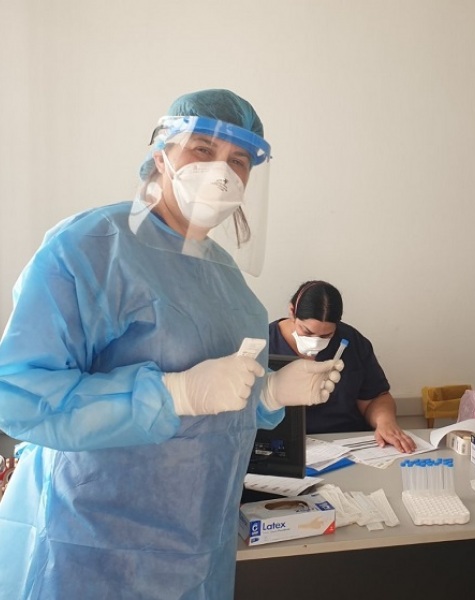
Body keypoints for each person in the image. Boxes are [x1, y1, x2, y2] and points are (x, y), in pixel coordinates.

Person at [0, 89, 343, 599]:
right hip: (90, 550)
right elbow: (20, 397)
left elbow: (220, 406)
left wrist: (270, 392)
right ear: (161, 155)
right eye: (203, 149)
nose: (222, 172)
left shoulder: (225, 277)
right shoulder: (94, 247)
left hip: (198, 551)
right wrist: (173, 394)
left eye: (240, 160)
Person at [269, 280, 416, 452]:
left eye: (326, 335)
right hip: (284, 448)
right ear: (292, 312)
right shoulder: (265, 343)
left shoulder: (351, 341)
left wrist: (385, 422)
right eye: (307, 332)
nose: (315, 342)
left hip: (349, 445)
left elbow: (375, 398)